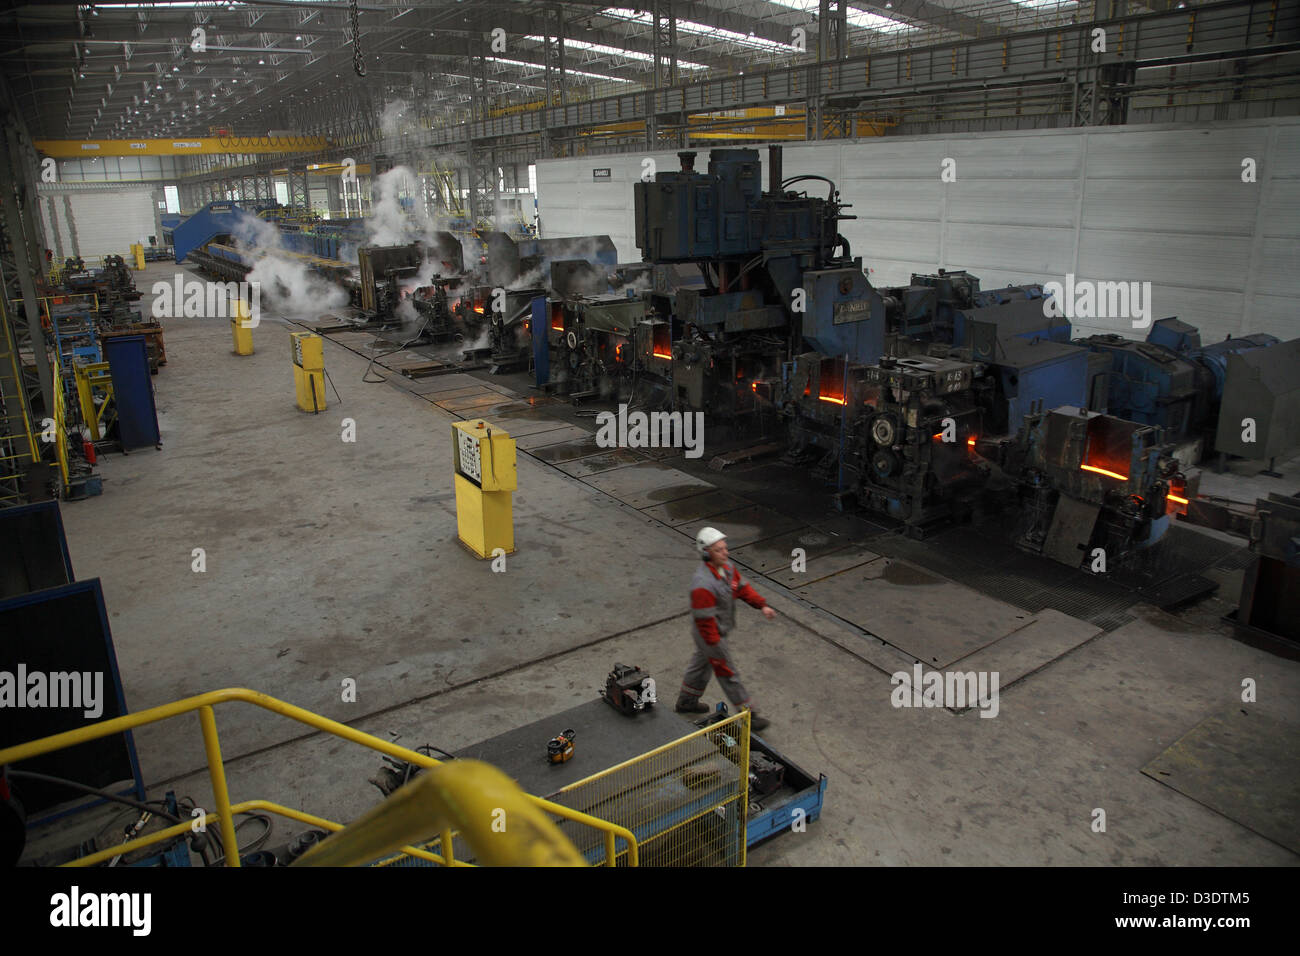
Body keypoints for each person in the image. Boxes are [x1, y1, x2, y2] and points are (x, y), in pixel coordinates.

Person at [675, 526, 775, 732]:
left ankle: (686, 702)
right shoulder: (703, 584)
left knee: (700, 665)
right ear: (706, 553)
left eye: (725, 548)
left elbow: (742, 588)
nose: (725, 553)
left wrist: (762, 605)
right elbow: (705, 622)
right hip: (709, 634)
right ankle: (750, 715)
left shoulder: (727, 568)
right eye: (719, 550)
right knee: (728, 673)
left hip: (716, 630)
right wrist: (717, 650)